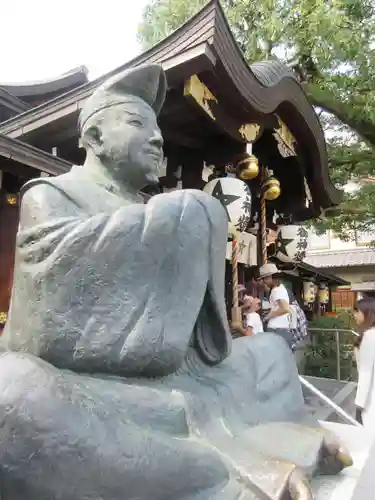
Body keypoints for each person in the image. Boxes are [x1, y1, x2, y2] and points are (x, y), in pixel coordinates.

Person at [0, 64, 350, 500]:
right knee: (12, 395)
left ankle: (234, 455)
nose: (157, 139)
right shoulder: (50, 196)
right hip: (92, 382)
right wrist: (178, 215)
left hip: (178, 379)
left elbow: (197, 338)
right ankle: (214, 473)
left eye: (157, 130)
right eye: (136, 123)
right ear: (94, 139)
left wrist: (174, 221)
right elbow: (46, 327)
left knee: (270, 353)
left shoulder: (151, 206)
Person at [258, 263, 293, 348]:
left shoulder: (276, 290)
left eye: (264, 279)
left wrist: (268, 316)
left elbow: (285, 309)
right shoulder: (280, 288)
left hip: (276, 329)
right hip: (282, 329)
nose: (263, 282)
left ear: (270, 277)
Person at [353, 297, 375, 429]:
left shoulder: (369, 337)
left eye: (357, 311)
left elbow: (365, 372)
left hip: (370, 400)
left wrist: (359, 402)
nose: (354, 315)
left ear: (368, 313)